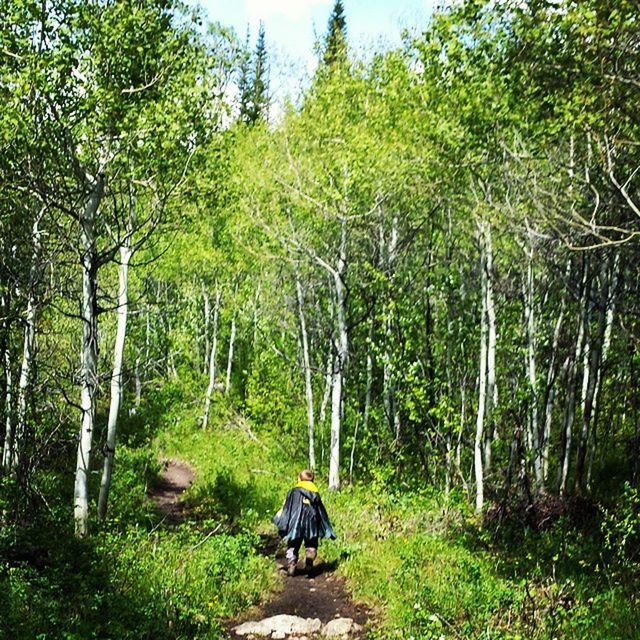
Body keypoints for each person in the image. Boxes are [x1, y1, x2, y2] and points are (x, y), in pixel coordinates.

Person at [273, 469, 336, 576]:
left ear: (300, 479)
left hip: (295, 523)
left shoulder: (293, 491)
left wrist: (281, 519)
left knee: (293, 543)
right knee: (311, 542)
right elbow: (320, 511)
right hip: (312, 524)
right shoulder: (315, 493)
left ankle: (292, 563)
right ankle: (309, 562)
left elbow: (287, 507)